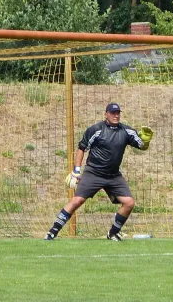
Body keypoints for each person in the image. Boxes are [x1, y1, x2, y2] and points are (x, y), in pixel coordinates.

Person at [45, 102, 153, 241]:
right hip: (93, 173)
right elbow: (81, 148)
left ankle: (113, 233)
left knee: (129, 203)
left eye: (118, 113)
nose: (116, 115)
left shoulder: (126, 131)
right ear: (106, 114)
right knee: (77, 201)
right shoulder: (96, 130)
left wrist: (146, 141)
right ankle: (52, 232)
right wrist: (76, 171)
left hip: (113, 175)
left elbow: (141, 146)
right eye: (113, 113)